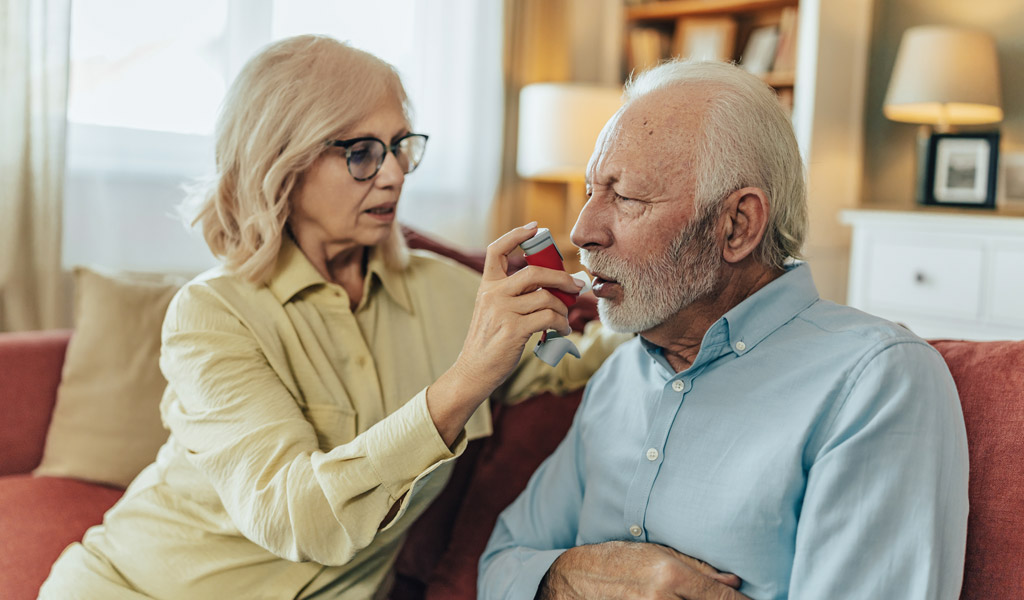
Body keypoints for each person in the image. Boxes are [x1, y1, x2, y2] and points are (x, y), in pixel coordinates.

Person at [39, 35, 625, 599]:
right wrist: (463, 381)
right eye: (362, 153)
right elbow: (298, 519)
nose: (394, 173)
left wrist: (677, 307)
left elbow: (564, 363)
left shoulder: (452, 293)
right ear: (282, 163)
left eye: (399, 146)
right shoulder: (211, 315)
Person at [478, 60, 969, 600]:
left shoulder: (878, 383)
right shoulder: (618, 374)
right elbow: (502, 564)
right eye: (592, 190)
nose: (583, 230)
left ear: (736, 225)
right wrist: (568, 577)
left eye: (626, 197)